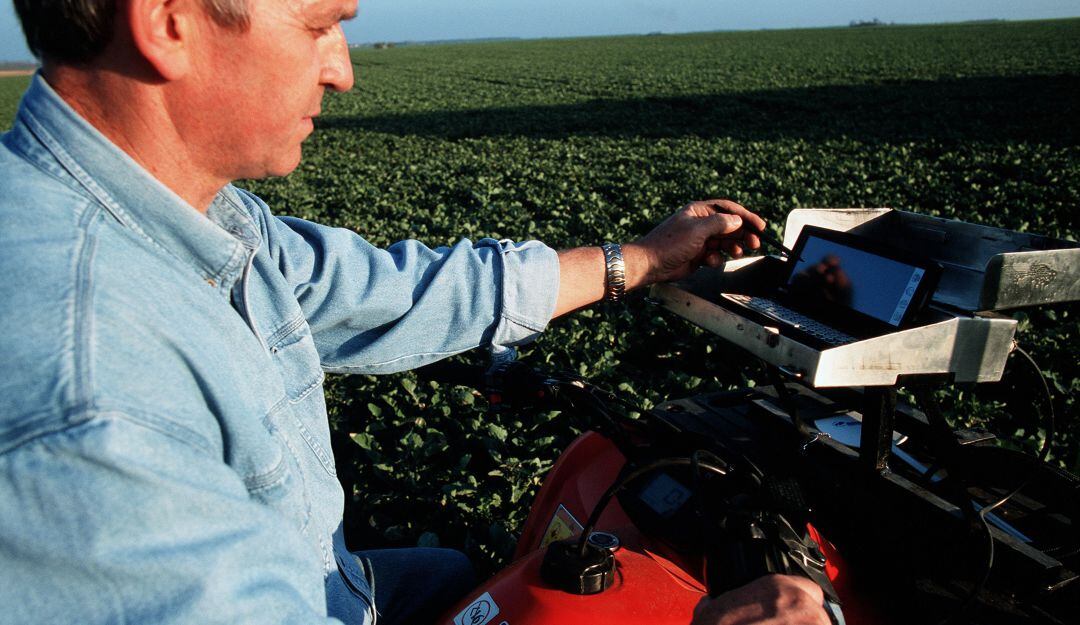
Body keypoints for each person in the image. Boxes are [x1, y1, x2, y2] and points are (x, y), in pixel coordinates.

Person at [0, 1, 830, 624]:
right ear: (168, 22)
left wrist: (638, 262)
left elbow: (384, 290)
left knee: (458, 576)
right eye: (321, 24)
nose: (342, 69)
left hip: (336, 581)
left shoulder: (188, 211)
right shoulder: (88, 395)